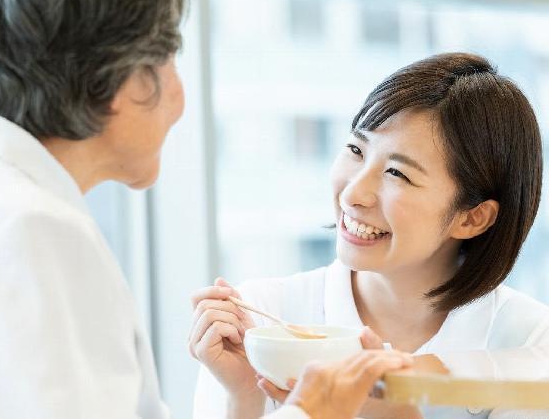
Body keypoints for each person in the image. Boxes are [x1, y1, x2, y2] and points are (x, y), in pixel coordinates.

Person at [0, 0, 413, 418]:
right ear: (115, 78)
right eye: (170, 59)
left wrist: (241, 398)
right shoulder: (28, 228)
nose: (179, 97)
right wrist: (310, 412)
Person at [190, 53, 549, 418]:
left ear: (472, 218)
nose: (352, 195)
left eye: (397, 174)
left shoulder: (530, 343)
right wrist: (244, 399)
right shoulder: (263, 321)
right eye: (355, 150)